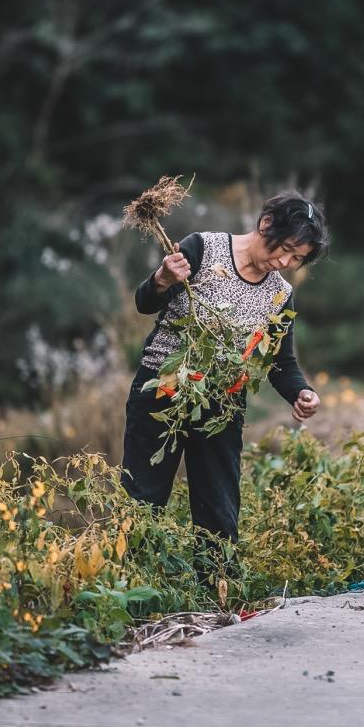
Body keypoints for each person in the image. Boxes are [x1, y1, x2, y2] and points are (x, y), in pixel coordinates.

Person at [122, 191, 328, 547]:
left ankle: (217, 591)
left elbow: (280, 362)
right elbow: (145, 302)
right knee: (142, 500)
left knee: (219, 511)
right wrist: (162, 278)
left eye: (297, 258)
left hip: (221, 405)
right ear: (266, 225)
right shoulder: (202, 249)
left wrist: (301, 392)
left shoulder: (280, 295)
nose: (285, 262)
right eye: (285, 249)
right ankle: (132, 587)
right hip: (162, 391)